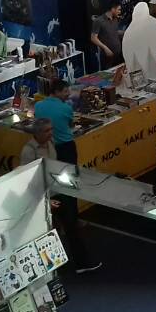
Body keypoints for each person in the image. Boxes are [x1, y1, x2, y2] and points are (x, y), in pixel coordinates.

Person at [20, 117, 103, 274]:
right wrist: (45, 201)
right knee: (48, 233)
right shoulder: (29, 151)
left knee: (71, 225)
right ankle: (51, 268)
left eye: (51, 129)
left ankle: (80, 263)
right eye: (47, 130)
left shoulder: (51, 143)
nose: (51, 133)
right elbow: (28, 180)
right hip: (45, 196)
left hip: (58, 191)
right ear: (37, 133)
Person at [34, 80, 77, 163]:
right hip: (65, 148)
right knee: (69, 170)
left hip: (46, 148)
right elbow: (71, 126)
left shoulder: (38, 105)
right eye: (65, 91)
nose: (68, 94)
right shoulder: (66, 108)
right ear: (57, 92)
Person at [122, 3, 156, 81]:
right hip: (151, 66)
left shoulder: (128, 31)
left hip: (136, 72)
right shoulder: (154, 22)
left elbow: (126, 53)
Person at [90, 0, 124, 69]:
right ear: (113, 9)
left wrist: (125, 32)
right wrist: (105, 48)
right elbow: (93, 38)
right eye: (118, 9)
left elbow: (114, 31)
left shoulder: (115, 19)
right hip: (107, 57)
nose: (120, 12)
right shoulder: (98, 21)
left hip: (118, 56)